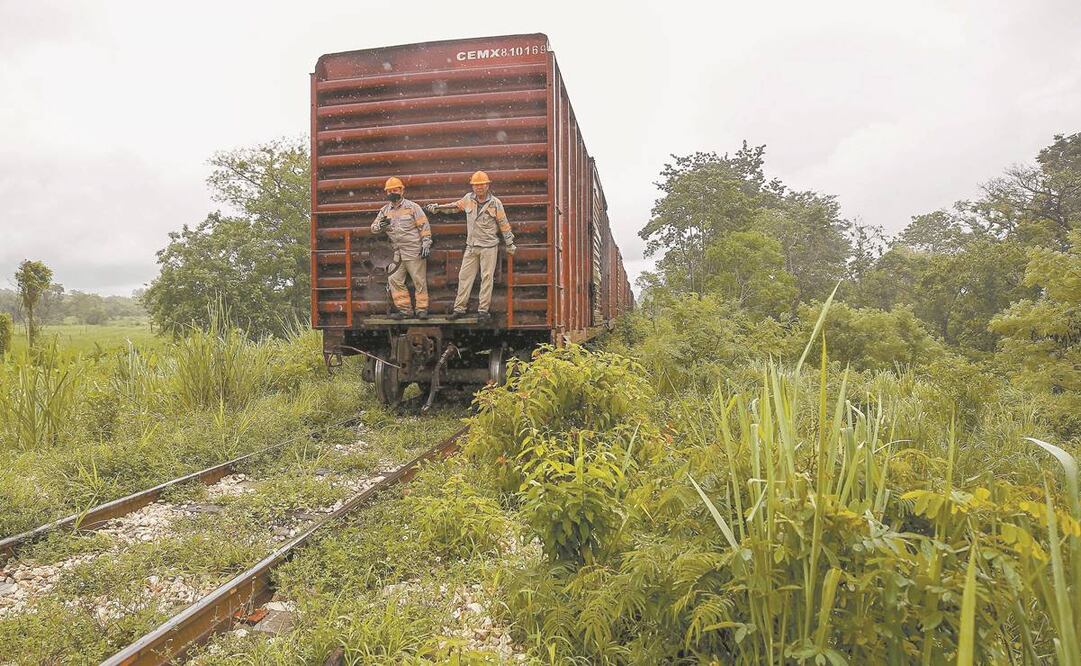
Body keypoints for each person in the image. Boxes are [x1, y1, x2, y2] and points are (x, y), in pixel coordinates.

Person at [425, 171, 516, 321]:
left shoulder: (495, 203)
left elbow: (504, 224)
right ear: (472, 187)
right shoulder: (468, 199)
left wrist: (510, 243)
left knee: (487, 278)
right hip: (472, 246)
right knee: (464, 277)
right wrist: (438, 208)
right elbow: (454, 207)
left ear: (487, 185)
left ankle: (483, 311)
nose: (479, 188)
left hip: (489, 247)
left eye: (481, 185)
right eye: (476, 185)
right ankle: (459, 309)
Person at [371, 176, 431, 320]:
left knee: (419, 280)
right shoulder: (384, 211)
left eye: (395, 189)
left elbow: (424, 226)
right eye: (390, 190)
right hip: (396, 252)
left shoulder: (413, 207)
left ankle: (422, 309)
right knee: (394, 280)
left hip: (413, 250)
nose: (393, 192)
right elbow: (373, 228)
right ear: (386, 193)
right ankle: (405, 311)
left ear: (402, 190)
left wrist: (426, 244)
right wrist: (380, 226)